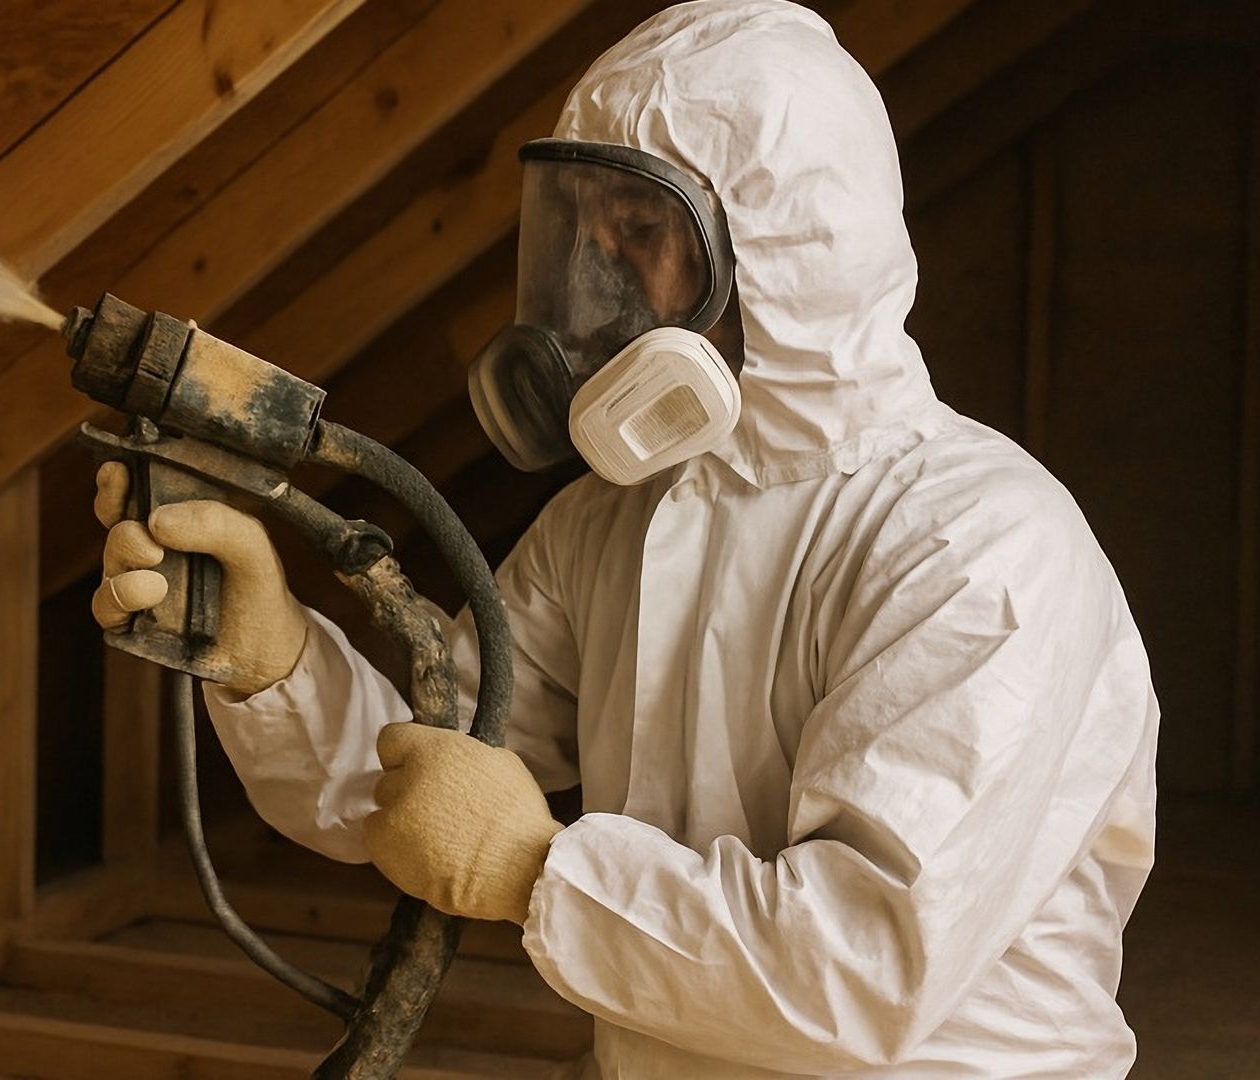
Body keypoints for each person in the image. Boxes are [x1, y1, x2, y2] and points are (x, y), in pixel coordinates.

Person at [91, 1, 1160, 1075]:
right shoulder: (612, 524)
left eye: (640, 236)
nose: (597, 288)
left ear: (786, 251)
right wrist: (272, 659)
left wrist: (536, 869)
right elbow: (425, 784)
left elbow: (858, 966)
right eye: (585, 236)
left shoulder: (978, 549)